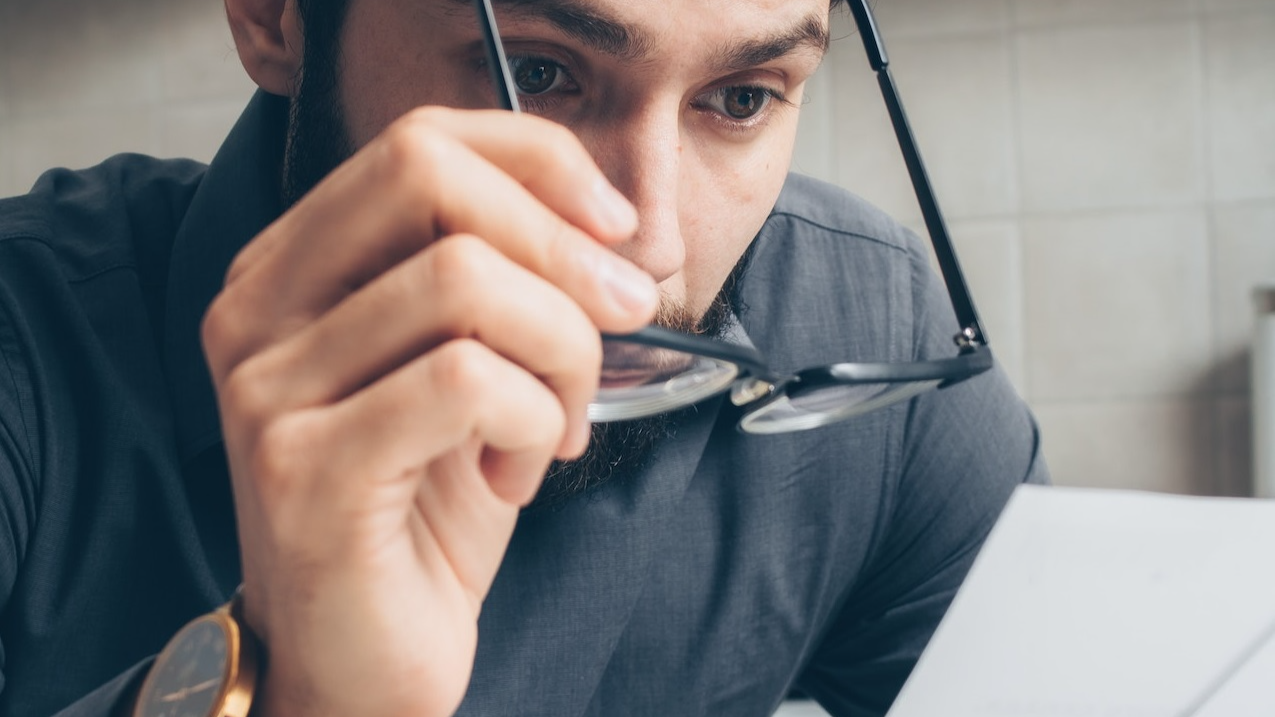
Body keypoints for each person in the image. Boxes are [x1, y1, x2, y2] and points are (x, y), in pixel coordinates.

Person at [0, 0, 1047, 715]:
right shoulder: (24, 354)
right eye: (542, 73)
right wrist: (290, 692)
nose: (650, 250)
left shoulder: (878, 347)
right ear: (276, 12)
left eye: (741, 98)